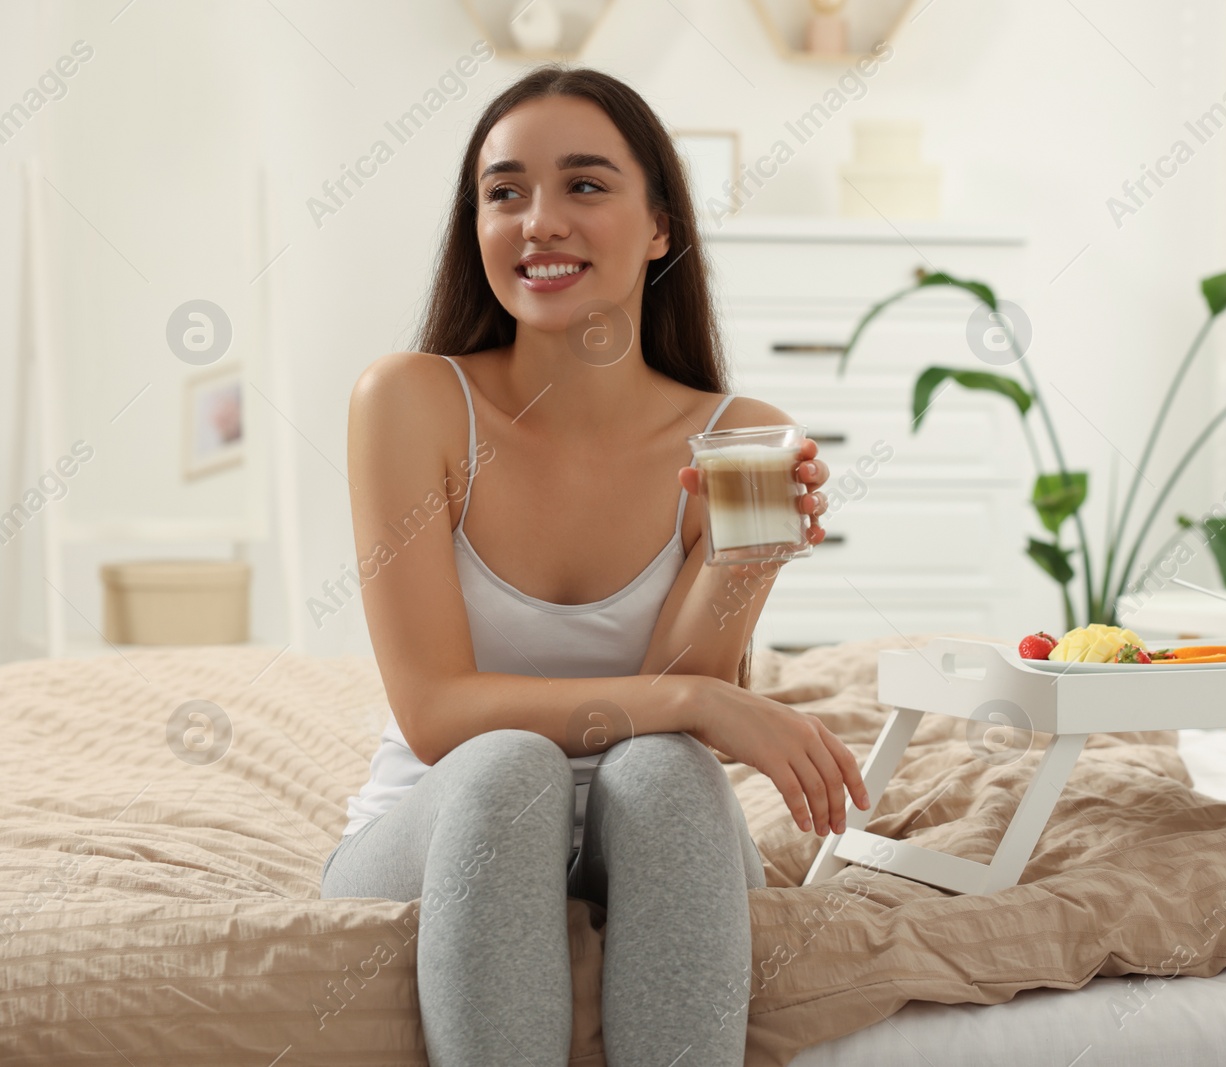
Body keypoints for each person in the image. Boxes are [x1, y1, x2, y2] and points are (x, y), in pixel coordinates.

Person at [319, 65, 869, 1067]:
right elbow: (436, 713)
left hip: (651, 823)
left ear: (660, 224)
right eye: (504, 191)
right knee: (509, 766)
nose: (538, 220)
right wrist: (702, 706)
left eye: (583, 184)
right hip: (447, 812)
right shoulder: (409, 400)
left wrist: (743, 565)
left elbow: (682, 690)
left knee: (662, 768)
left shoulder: (738, 435)